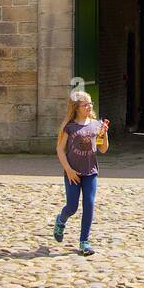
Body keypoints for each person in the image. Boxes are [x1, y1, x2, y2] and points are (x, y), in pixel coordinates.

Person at [54, 91, 109, 256]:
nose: (89, 107)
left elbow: (103, 149)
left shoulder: (96, 125)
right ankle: (61, 220)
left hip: (90, 171)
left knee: (89, 204)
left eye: (90, 104)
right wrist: (68, 170)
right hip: (73, 173)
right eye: (85, 105)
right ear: (76, 108)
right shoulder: (69, 127)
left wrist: (104, 134)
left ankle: (84, 241)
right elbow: (59, 149)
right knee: (72, 206)